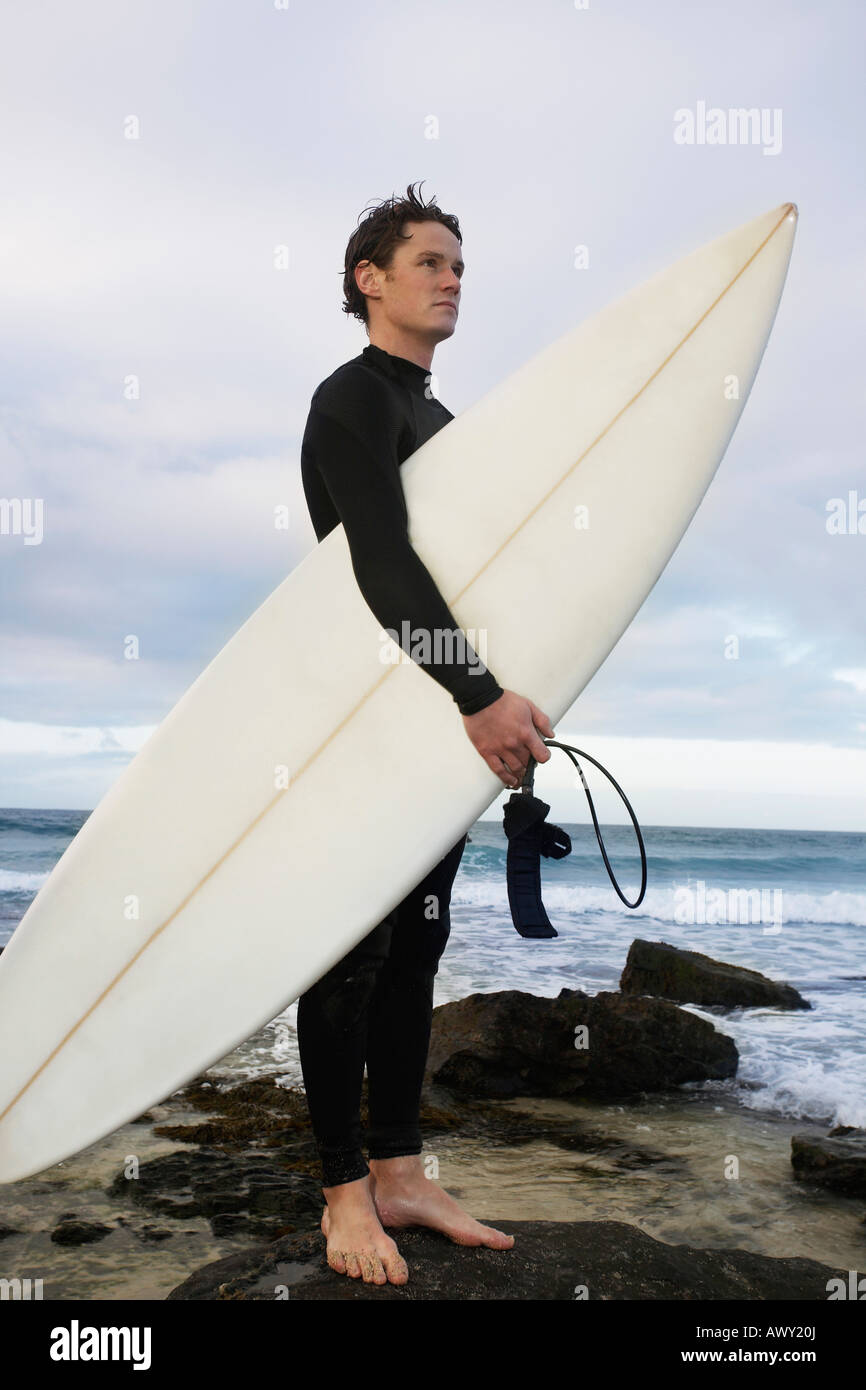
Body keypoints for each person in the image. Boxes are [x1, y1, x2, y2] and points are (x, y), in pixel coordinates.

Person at [297, 181, 554, 1286]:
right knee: (350, 954)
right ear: (371, 279)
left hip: (436, 718)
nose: (452, 281)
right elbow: (381, 564)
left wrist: (505, 691)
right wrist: (478, 693)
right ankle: (341, 1192)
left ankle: (400, 1169)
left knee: (415, 951)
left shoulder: (443, 421)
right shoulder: (352, 399)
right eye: (431, 262)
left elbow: (471, 579)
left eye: (459, 267)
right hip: (373, 714)